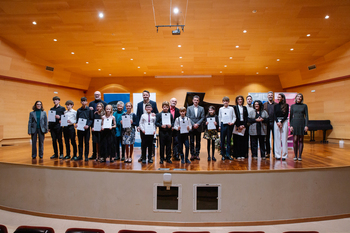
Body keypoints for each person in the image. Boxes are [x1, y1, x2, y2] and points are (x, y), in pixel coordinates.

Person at [136, 90, 159, 162]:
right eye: (144, 95)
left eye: (146, 95)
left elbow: (157, 113)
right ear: (142, 96)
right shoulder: (139, 104)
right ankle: (143, 157)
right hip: (143, 128)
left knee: (150, 143)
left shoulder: (153, 103)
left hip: (151, 128)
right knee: (143, 143)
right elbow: (138, 115)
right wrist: (138, 126)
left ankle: (150, 157)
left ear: (149, 95)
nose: (145, 96)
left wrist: (155, 114)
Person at [88, 91, 107, 160]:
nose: (97, 96)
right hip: (94, 125)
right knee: (94, 141)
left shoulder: (105, 103)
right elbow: (90, 115)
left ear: (100, 95)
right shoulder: (91, 103)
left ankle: (102, 155)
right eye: (95, 94)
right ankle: (94, 154)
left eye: (98, 94)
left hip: (102, 127)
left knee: (101, 141)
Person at [290, 93, 309, 161]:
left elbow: (306, 116)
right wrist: (291, 125)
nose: (299, 98)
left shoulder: (304, 106)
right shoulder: (292, 106)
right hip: (295, 123)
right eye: (298, 96)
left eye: (300, 97)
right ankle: (295, 155)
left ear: (302, 98)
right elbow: (291, 117)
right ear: (296, 98)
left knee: (301, 140)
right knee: (295, 140)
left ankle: (300, 156)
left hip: (302, 123)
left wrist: (306, 125)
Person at [186, 95, 205, 160]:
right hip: (192, 127)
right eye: (195, 100)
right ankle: (192, 154)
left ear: (199, 101)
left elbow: (202, 117)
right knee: (191, 141)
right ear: (192, 100)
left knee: (198, 141)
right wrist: (194, 124)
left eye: (197, 100)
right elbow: (188, 117)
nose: (196, 101)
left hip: (198, 127)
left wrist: (197, 124)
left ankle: (197, 154)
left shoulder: (202, 108)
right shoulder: (189, 108)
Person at [75, 97, 93, 161]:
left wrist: (88, 125)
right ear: (81, 102)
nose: (83, 102)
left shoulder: (89, 110)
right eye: (82, 101)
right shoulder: (78, 110)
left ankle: (86, 156)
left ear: (86, 102)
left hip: (87, 129)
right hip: (80, 129)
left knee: (86, 142)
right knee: (80, 142)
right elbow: (77, 119)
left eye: (84, 101)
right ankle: (80, 156)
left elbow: (91, 119)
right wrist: (76, 124)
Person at [218, 96, 236, 160]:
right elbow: (219, 117)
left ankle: (228, 154)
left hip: (229, 125)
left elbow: (234, 117)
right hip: (223, 125)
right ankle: (223, 155)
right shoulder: (221, 109)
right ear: (223, 102)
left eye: (227, 101)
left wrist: (232, 122)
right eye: (224, 101)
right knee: (222, 140)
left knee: (228, 140)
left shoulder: (231, 108)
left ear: (228, 102)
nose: (225, 102)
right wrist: (219, 125)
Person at [274, 93, 289, 161]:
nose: (278, 98)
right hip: (276, 122)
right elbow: (274, 114)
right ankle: (277, 155)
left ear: (283, 98)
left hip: (284, 122)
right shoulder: (276, 105)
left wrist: (281, 122)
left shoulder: (286, 105)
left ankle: (284, 155)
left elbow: (286, 115)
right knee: (277, 138)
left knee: (284, 139)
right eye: (278, 97)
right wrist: (277, 122)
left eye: (279, 97)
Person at [233, 95, 248, 160]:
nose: (240, 100)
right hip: (237, 125)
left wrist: (244, 125)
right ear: (237, 101)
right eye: (239, 99)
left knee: (243, 141)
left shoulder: (245, 108)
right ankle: (237, 154)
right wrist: (238, 125)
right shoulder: (234, 107)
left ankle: (243, 154)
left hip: (243, 125)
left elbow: (246, 117)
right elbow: (234, 117)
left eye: (241, 99)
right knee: (237, 140)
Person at [263, 91, 277, 158]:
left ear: (273, 96)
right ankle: (267, 152)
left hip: (274, 123)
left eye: (271, 95)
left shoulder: (276, 104)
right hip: (267, 123)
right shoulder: (264, 104)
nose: (270, 96)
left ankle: (275, 152)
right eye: (269, 95)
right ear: (267, 96)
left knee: (275, 138)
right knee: (267, 138)